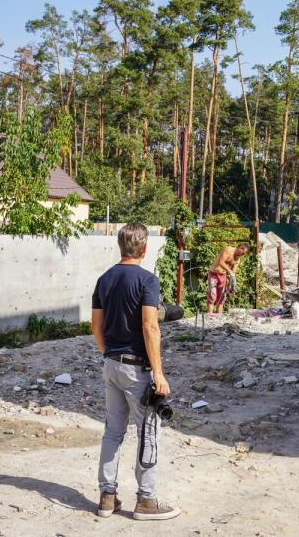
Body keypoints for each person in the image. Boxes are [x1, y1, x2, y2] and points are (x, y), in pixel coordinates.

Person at [92, 223, 179, 521]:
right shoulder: (147, 281)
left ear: (120, 246)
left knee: (112, 432)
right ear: (144, 248)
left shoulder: (104, 280)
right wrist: (159, 373)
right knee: (148, 433)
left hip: (111, 365)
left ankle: (107, 497)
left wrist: (108, 352)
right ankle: (146, 500)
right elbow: (150, 326)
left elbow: (96, 326)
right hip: (136, 370)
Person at [206, 243, 249, 314]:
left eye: (244, 254)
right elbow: (221, 262)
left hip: (223, 276)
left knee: (222, 297)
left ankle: (219, 316)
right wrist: (230, 272)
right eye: (242, 252)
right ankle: (210, 315)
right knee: (212, 295)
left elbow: (233, 274)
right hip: (214, 273)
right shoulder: (228, 250)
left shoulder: (237, 260)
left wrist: (230, 286)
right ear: (239, 248)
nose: (241, 255)